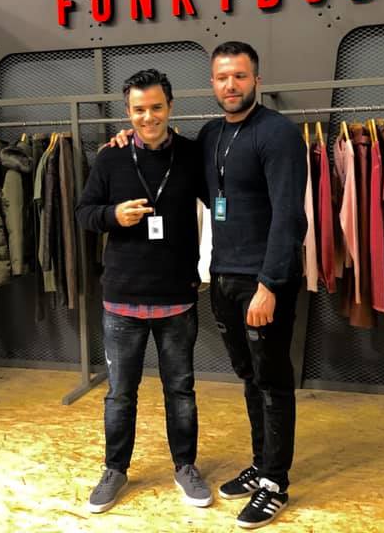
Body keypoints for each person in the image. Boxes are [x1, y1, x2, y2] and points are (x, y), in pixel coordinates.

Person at [114, 42, 307, 529]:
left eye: (240, 76)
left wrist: (270, 284)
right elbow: (180, 172)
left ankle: (275, 483)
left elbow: (289, 217)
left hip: (263, 282)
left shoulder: (279, 134)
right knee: (249, 377)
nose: (231, 85)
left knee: (273, 382)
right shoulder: (211, 135)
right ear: (212, 83)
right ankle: (262, 463)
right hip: (223, 277)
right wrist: (128, 139)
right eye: (222, 77)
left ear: (256, 80)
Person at [75, 68, 213, 514]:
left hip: (177, 298)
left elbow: (221, 203)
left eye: (156, 107)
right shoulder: (111, 158)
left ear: (170, 106)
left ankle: (185, 466)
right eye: (138, 110)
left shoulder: (191, 155)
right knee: (120, 393)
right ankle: (115, 469)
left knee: (181, 391)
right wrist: (113, 216)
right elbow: (84, 213)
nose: (147, 117)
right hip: (122, 299)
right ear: (127, 111)